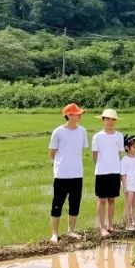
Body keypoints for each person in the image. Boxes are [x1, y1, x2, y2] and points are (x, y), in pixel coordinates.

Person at [49, 103, 89, 243]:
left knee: (75, 204)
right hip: (61, 174)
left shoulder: (82, 131)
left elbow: (79, 150)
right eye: (78, 113)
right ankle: (55, 233)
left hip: (77, 173)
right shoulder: (58, 132)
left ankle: (71, 231)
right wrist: (62, 164)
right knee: (57, 204)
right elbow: (52, 152)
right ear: (69, 115)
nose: (80, 115)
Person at [92, 108, 125, 238]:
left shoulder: (119, 136)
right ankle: (102, 227)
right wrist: (102, 165)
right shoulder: (97, 137)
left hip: (115, 171)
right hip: (101, 172)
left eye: (112, 119)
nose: (110, 121)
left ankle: (110, 225)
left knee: (111, 199)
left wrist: (114, 166)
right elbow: (95, 155)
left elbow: (119, 153)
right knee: (102, 200)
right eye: (107, 119)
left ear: (115, 121)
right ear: (103, 120)